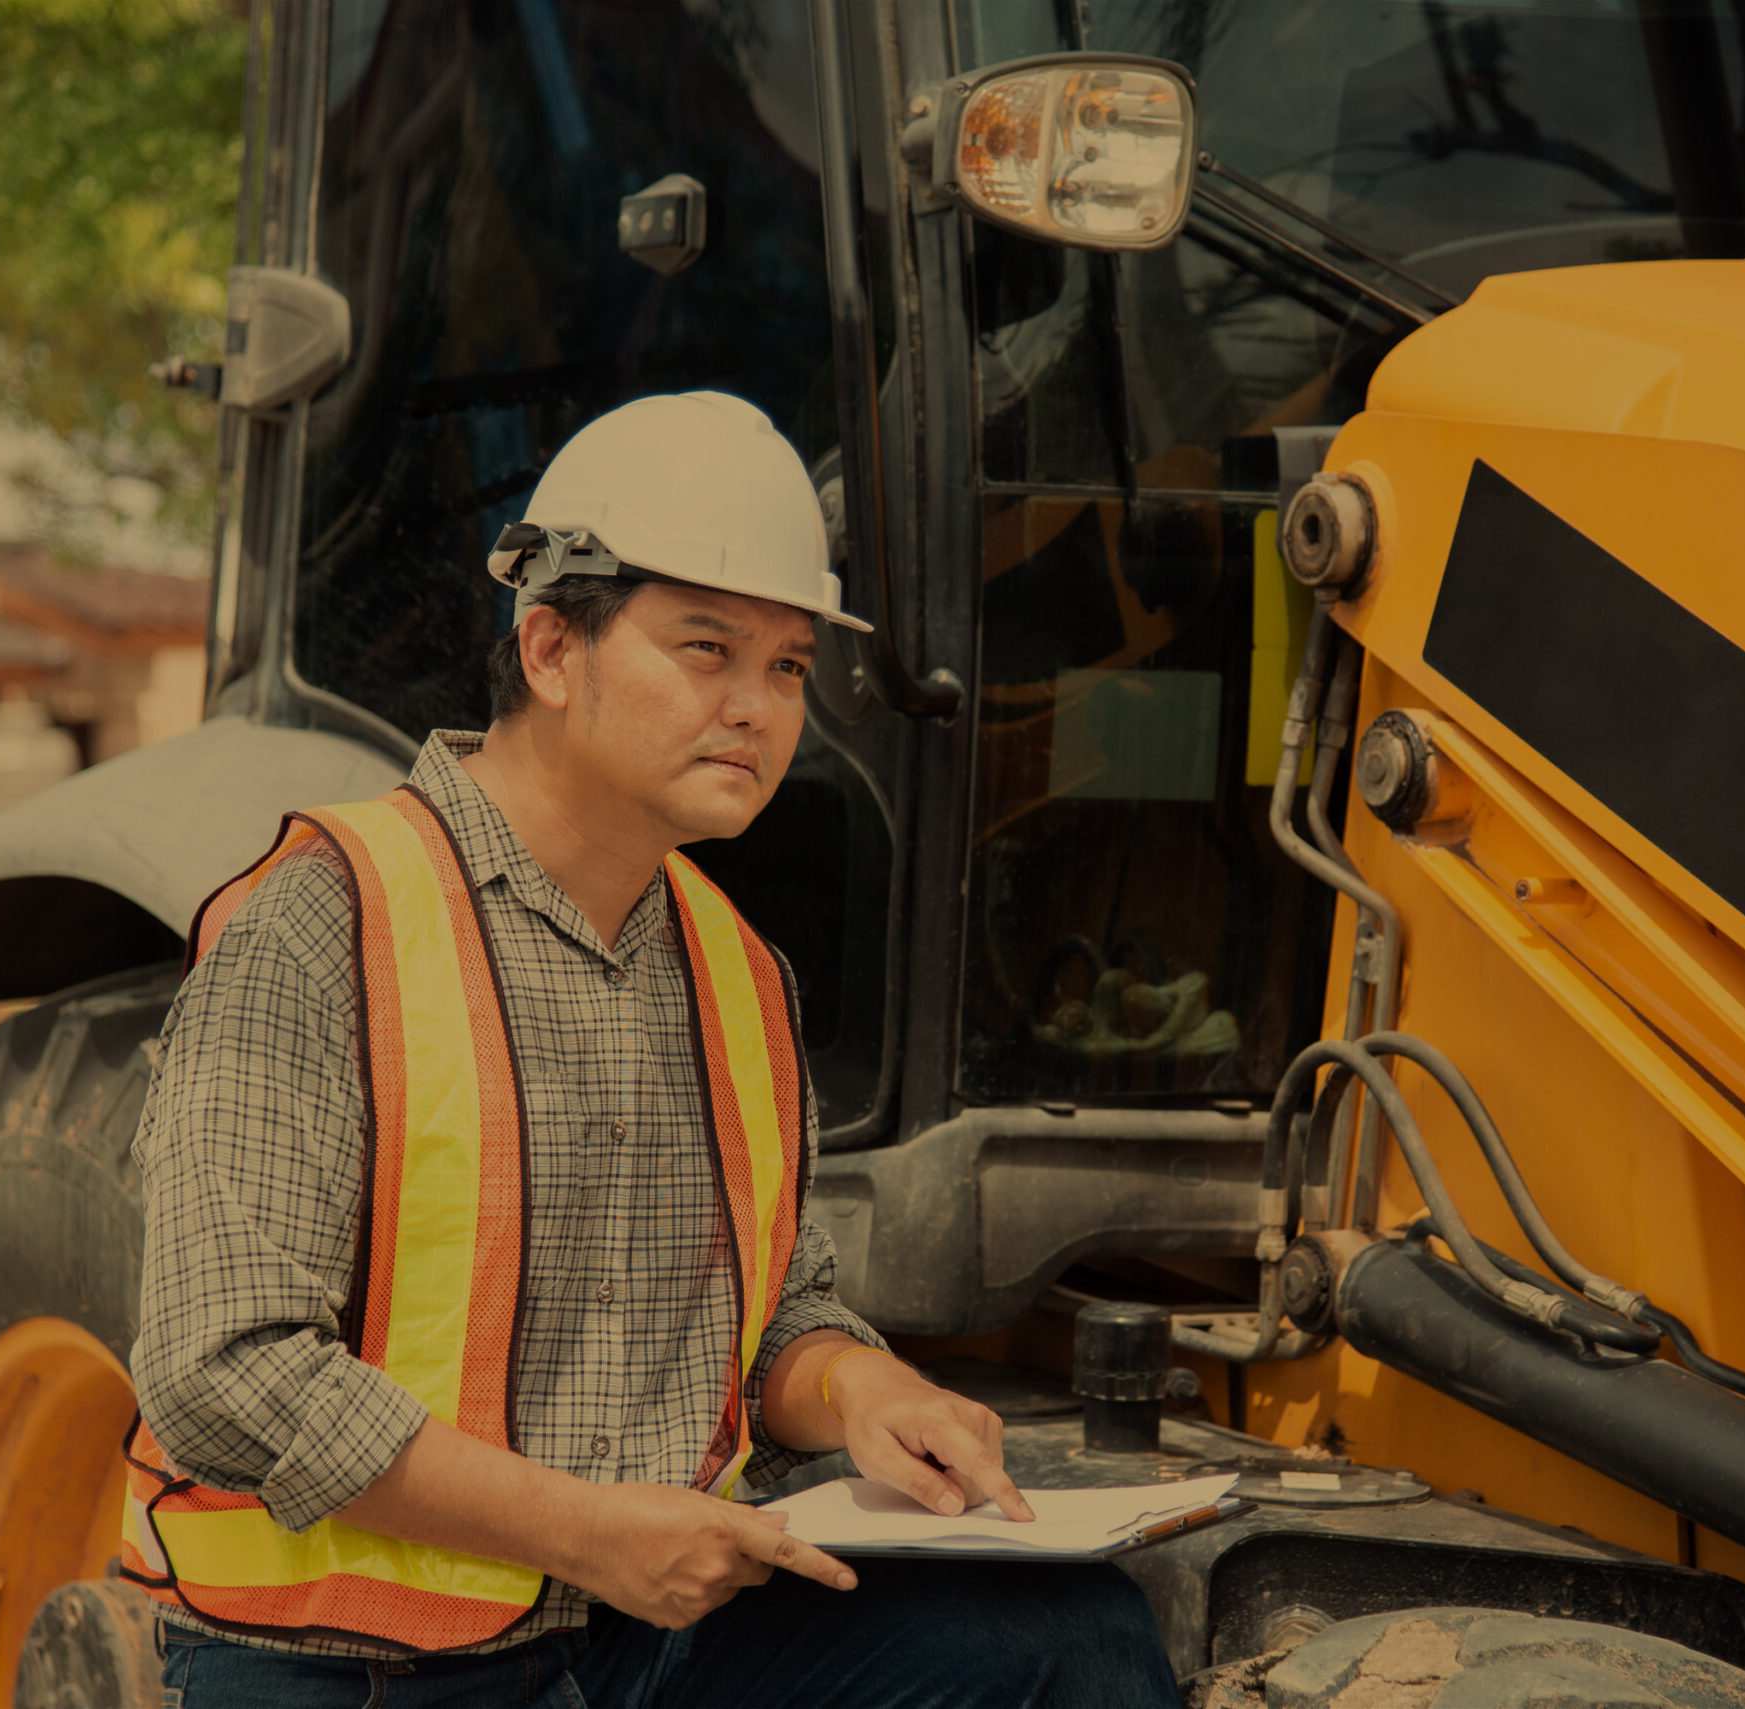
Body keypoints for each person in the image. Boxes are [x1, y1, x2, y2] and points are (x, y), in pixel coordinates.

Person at [122, 392, 1183, 1708]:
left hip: (632, 1637)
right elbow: (222, 1368)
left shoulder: (737, 974)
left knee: (1067, 1639)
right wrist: (586, 1532)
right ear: (554, 648)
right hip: (353, 1662)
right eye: (706, 649)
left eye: (789, 667)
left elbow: (774, 1319)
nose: (757, 706)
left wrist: (862, 1385)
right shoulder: (321, 925)